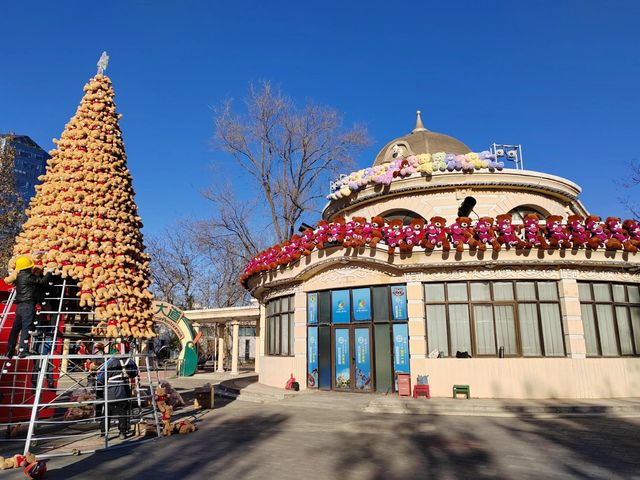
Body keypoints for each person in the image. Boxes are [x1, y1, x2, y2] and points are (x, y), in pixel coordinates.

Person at [5, 256, 52, 359]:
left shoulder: (18, 276)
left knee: (16, 328)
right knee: (27, 327)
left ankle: (10, 349)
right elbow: (42, 282)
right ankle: (23, 350)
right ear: (28, 267)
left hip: (19, 305)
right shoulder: (28, 276)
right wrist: (49, 273)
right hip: (28, 305)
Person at [97, 352, 138, 439]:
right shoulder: (130, 362)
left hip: (111, 389)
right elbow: (135, 373)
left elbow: (101, 376)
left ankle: (104, 432)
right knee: (123, 412)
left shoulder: (110, 362)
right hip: (124, 389)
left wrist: (103, 382)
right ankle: (122, 432)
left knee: (107, 412)